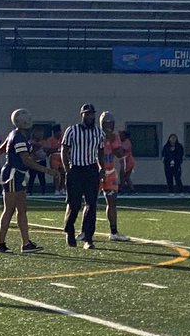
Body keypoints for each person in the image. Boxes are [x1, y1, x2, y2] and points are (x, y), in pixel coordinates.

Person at [0, 107, 52, 254]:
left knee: (21, 210)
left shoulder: (15, 134)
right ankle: (1, 244)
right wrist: (47, 170)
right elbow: (26, 161)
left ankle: (26, 243)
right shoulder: (19, 137)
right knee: (9, 210)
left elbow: (1, 149)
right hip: (13, 175)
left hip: (17, 175)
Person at [60, 102, 105, 249]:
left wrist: (101, 167)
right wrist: (68, 169)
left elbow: (100, 151)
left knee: (91, 205)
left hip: (91, 170)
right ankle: (69, 230)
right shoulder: (72, 131)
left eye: (91, 113)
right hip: (76, 169)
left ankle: (88, 237)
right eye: (87, 114)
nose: (90, 116)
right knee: (74, 205)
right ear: (82, 115)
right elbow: (64, 151)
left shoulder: (99, 132)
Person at [98, 111, 129, 242]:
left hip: (110, 171)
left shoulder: (115, 136)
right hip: (97, 172)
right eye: (106, 123)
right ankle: (85, 231)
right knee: (89, 202)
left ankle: (114, 231)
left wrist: (113, 141)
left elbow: (120, 154)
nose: (108, 125)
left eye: (111, 123)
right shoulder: (96, 134)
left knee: (112, 201)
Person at [26, 126, 48, 195]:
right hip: (33, 162)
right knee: (32, 177)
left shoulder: (44, 142)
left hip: (42, 161)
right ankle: (29, 191)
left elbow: (47, 148)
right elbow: (31, 149)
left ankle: (43, 191)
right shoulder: (30, 141)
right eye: (39, 134)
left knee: (42, 177)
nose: (41, 135)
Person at [46, 124, 65, 196]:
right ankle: (56, 189)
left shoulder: (63, 138)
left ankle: (62, 188)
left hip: (62, 157)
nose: (59, 133)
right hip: (54, 157)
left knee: (63, 173)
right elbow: (48, 150)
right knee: (56, 174)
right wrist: (57, 149)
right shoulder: (50, 140)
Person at [118, 129, 136, 194]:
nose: (120, 136)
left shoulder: (127, 142)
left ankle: (121, 189)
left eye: (122, 135)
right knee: (126, 177)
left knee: (123, 176)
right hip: (124, 161)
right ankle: (132, 189)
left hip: (128, 162)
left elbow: (122, 148)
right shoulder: (121, 141)